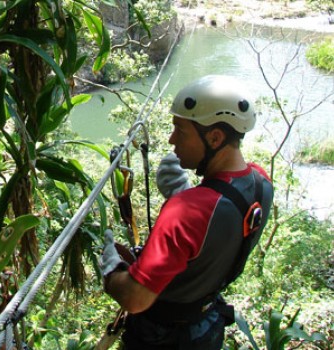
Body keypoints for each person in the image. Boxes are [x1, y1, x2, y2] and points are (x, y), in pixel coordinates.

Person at [100, 75, 274, 349]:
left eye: (180, 130)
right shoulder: (262, 183)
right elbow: (219, 218)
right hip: (206, 327)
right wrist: (192, 195)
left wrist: (112, 270)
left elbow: (135, 299)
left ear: (215, 137)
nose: (171, 140)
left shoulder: (187, 213)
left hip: (161, 338)